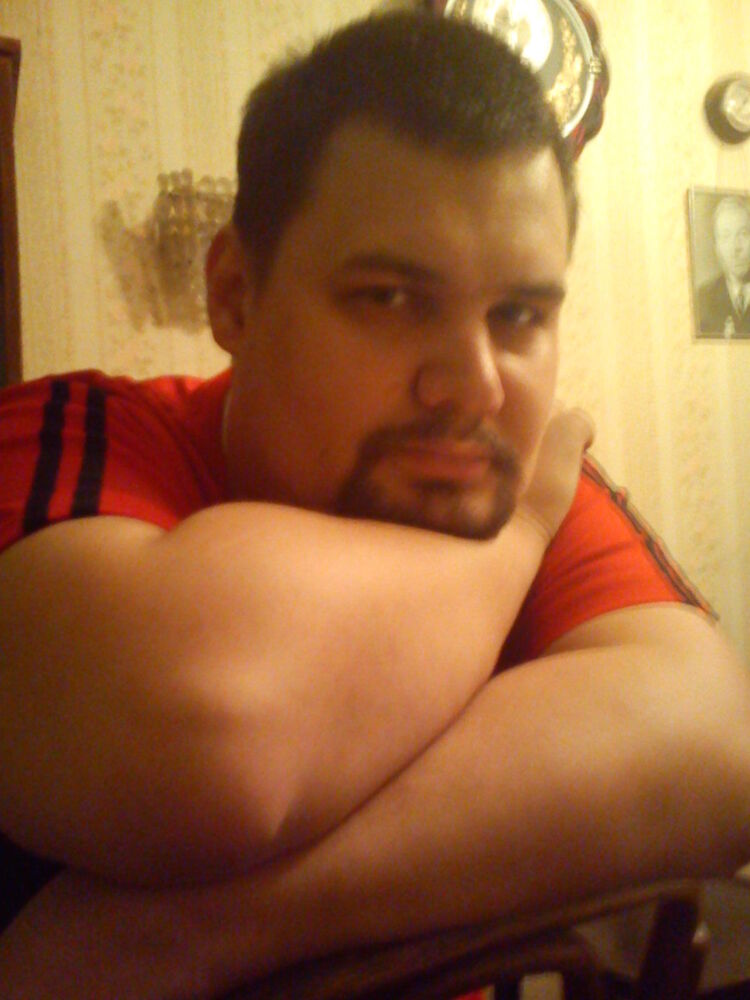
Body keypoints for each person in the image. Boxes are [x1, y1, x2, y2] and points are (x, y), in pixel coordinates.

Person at [0, 11, 749, 998]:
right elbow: (194, 740)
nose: (475, 385)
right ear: (234, 294)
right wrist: (515, 540)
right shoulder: (75, 430)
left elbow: (712, 742)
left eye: (520, 314)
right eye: (391, 297)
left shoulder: (506, 471)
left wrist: (202, 924)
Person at [697, 195, 750, 337]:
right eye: (726, 237)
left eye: (743, 234)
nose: (735, 248)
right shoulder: (702, 299)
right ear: (717, 247)